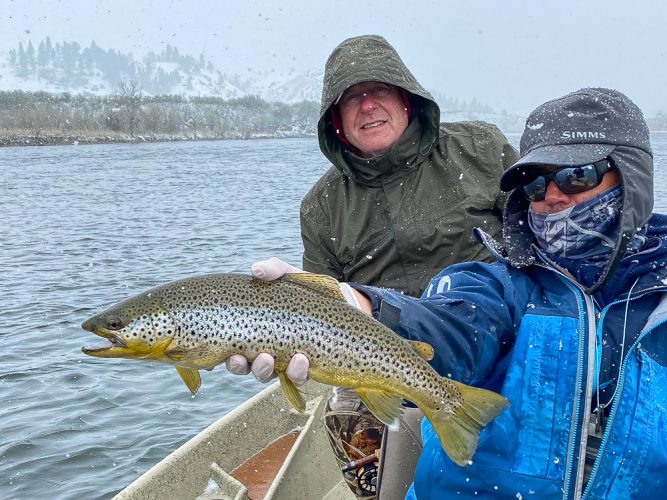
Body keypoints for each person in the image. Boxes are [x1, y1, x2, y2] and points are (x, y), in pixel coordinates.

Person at [231, 87, 667, 498]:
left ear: (631, 176)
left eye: (577, 176)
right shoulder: (501, 287)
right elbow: (454, 323)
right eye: (534, 183)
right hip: (396, 345)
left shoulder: (474, 148)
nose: (551, 196)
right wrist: (355, 306)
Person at [301, 34, 518, 298]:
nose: (368, 105)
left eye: (380, 89)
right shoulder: (322, 206)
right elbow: (322, 305)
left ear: (406, 99)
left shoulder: (480, 148)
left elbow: (542, 237)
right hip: (380, 335)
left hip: (498, 322)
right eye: (351, 98)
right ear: (336, 119)